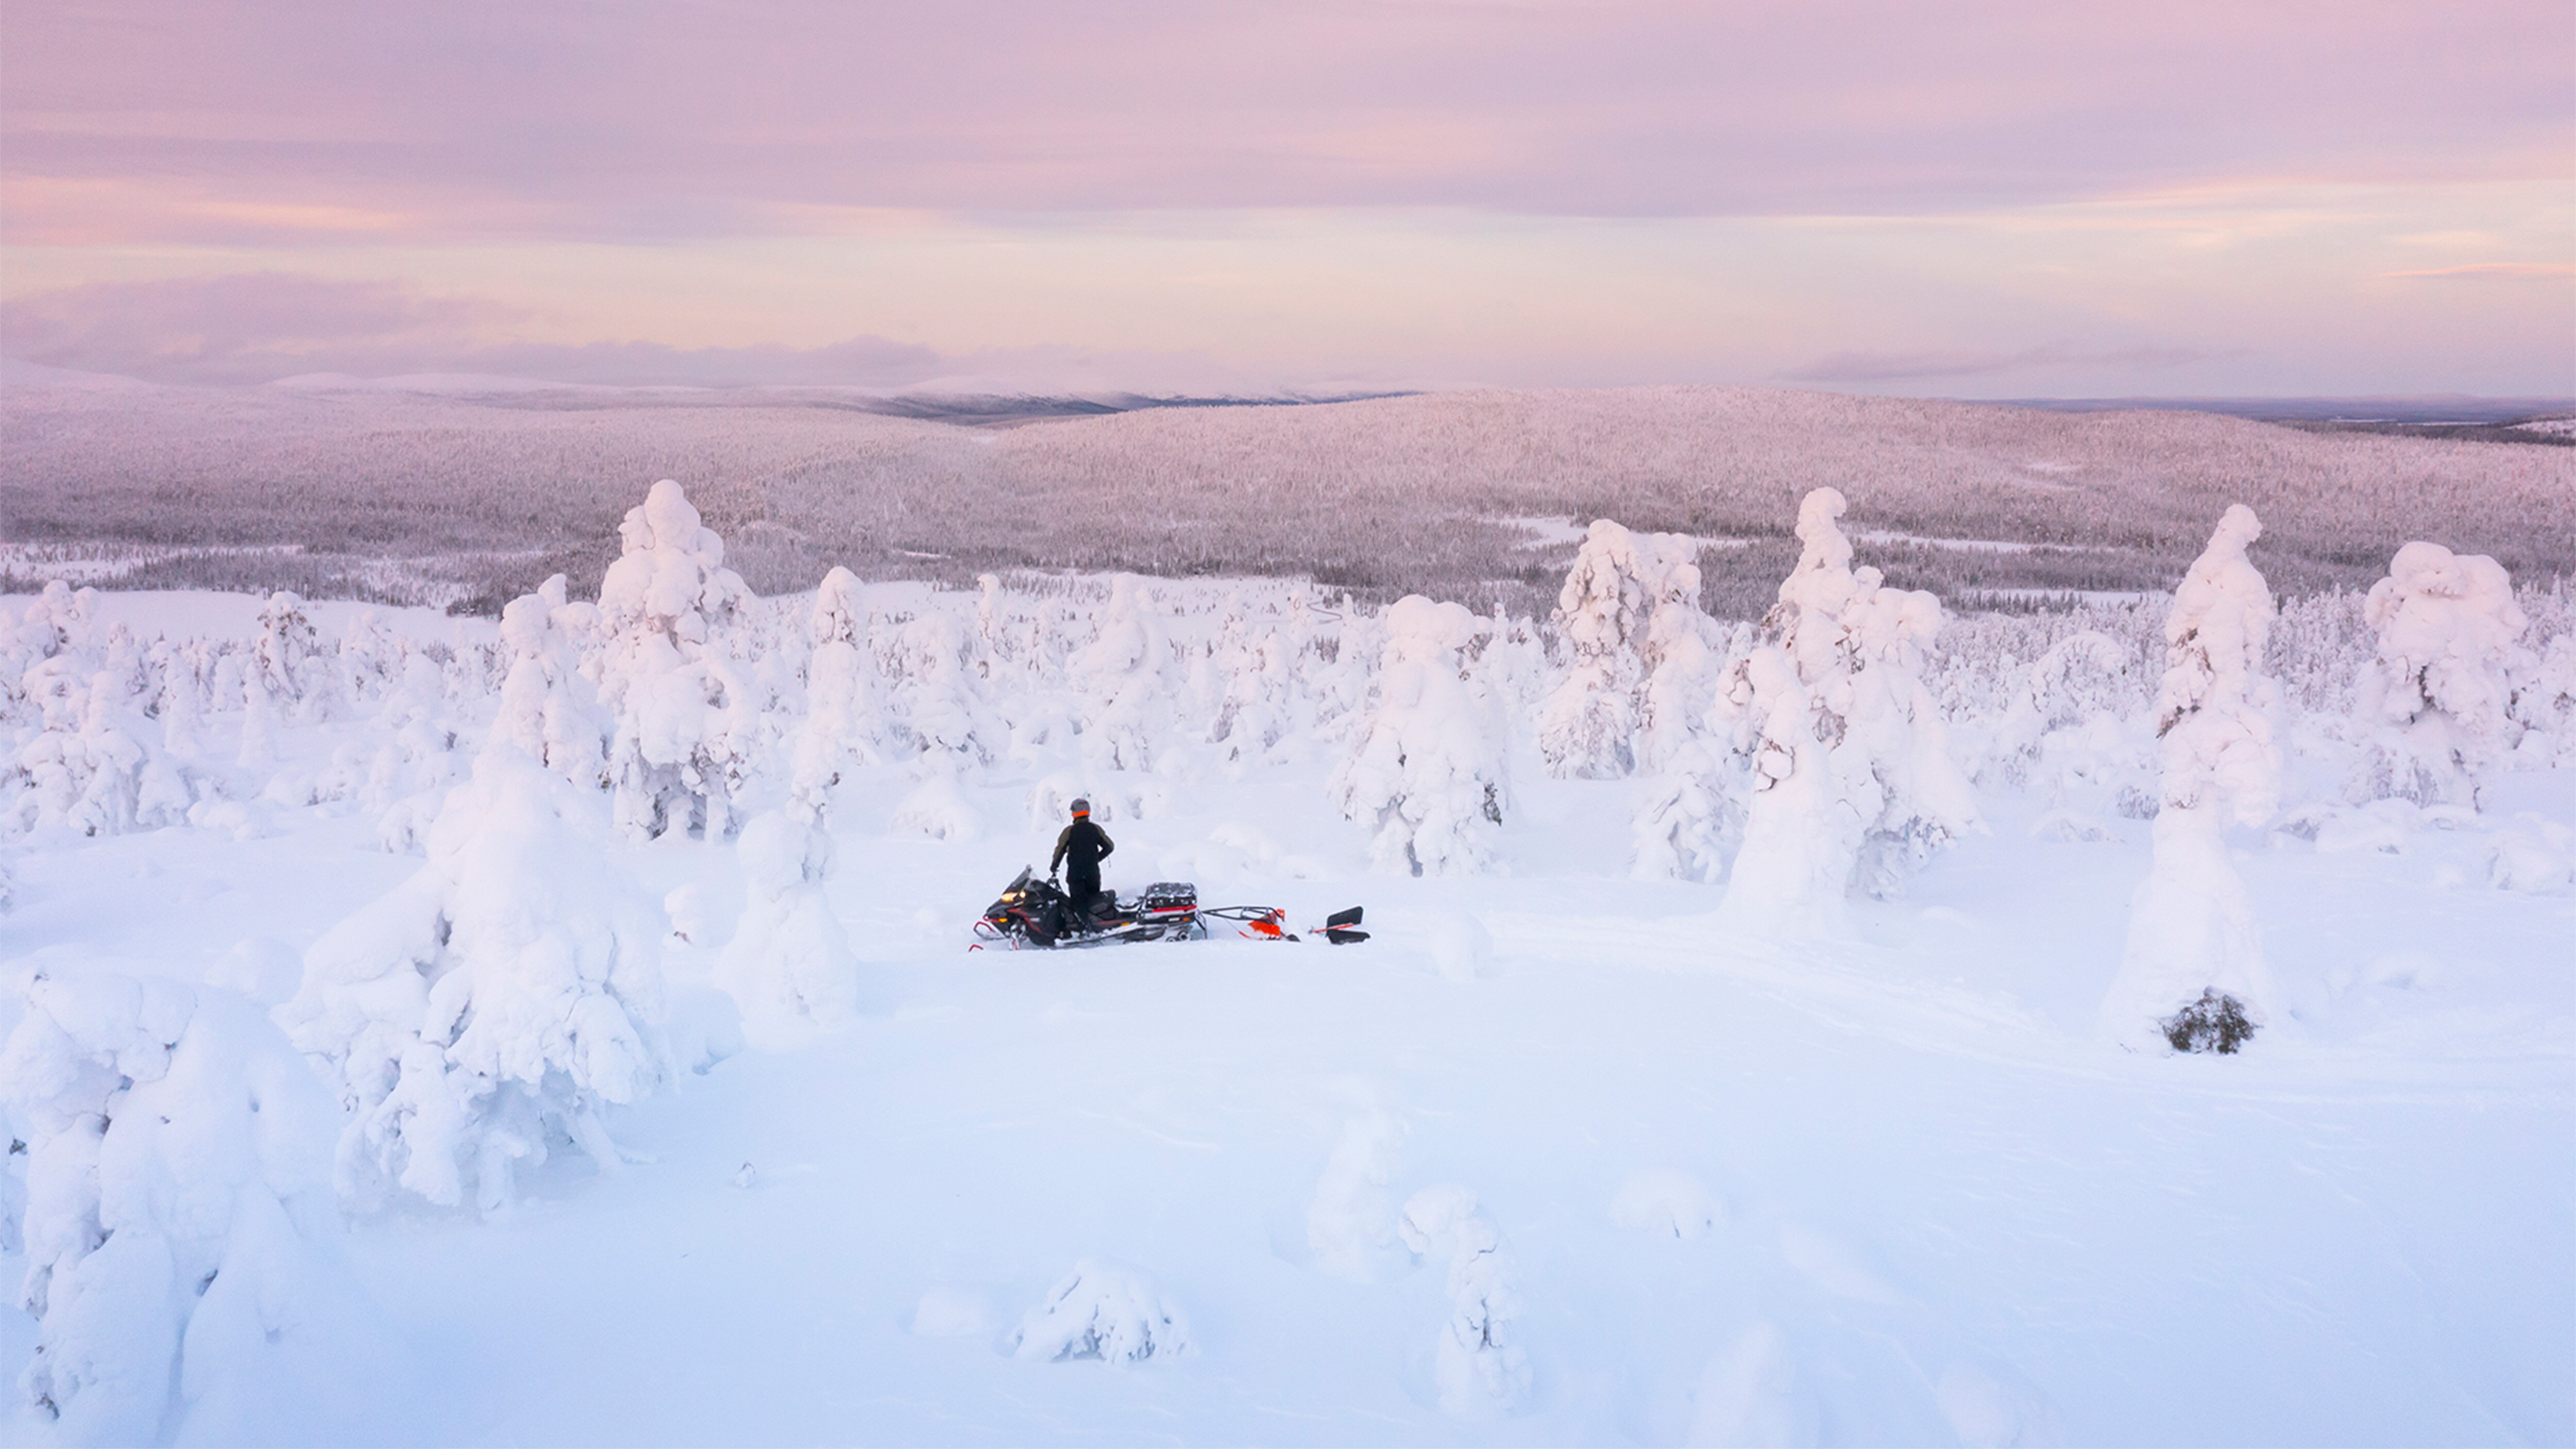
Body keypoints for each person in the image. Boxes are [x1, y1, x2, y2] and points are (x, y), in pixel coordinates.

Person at [1049, 798, 1115, 926]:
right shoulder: (1096, 829)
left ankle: (1084, 928)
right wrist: (1097, 858)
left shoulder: (1069, 832)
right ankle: (1097, 925)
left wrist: (1054, 867)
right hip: (1093, 872)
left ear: (1074, 813)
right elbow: (1110, 846)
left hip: (1076, 873)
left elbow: (1060, 851)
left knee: (1079, 902)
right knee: (1094, 901)